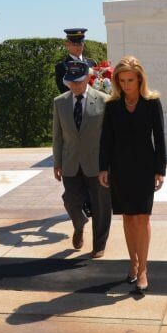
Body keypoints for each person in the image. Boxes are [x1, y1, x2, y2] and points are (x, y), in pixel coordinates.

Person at [98, 56, 166, 292]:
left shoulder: (152, 103)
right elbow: (106, 139)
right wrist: (103, 168)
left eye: (130, 80)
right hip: (120, 169)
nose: (126, 85)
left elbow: (160, 138)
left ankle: (144, 269)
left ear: (139, 79)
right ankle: (133, 262)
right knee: (128, 218)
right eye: (122, 80)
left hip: (145, 169)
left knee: (142, 218)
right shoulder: (112, 105)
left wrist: (160, 170)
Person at [52, 61, 112, 258]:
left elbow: (110, 137)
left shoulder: (104, 100)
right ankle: (79, 224)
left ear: (87, 78)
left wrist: (109, 164)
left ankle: (99, 245)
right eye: (71, 82)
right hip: (70, 162)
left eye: (78, 81)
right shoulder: (59, 102)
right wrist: (57, 162)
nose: (75, 85)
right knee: (70, 200)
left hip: (97, 163)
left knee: (101, 205)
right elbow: (57, 136)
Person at [54, 28, 97, 94]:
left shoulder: (92, 63)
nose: (78, 47)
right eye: (75, 44)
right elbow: (64, 91)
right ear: (67, 44)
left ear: (83, 44)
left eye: (80, 43)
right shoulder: (61, 66)